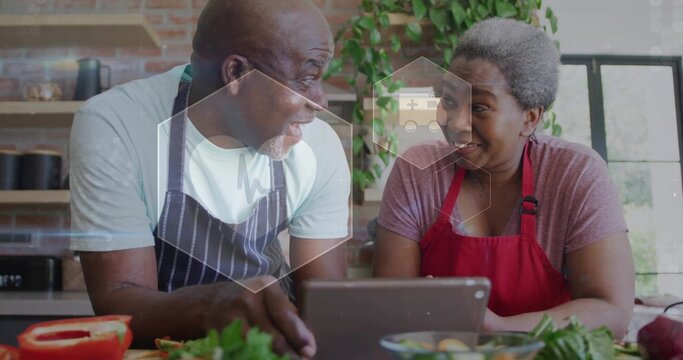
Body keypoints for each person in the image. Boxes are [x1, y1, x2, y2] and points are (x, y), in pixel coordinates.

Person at [68, 0, 350, 357]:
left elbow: (327, 306)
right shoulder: (117, 125)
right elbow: (117, 304)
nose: (319, 102)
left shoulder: (318, 145)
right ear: (236, 73)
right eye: (306, 79)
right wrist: (211, 307)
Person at [373, 17, 634, 338]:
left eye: (480, 108)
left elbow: (611, 312)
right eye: (449, 101)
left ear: (530, 118)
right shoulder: (417, 171)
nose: (456, 124)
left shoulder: (576, 174)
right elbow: (389, 305)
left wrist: (499, 329)